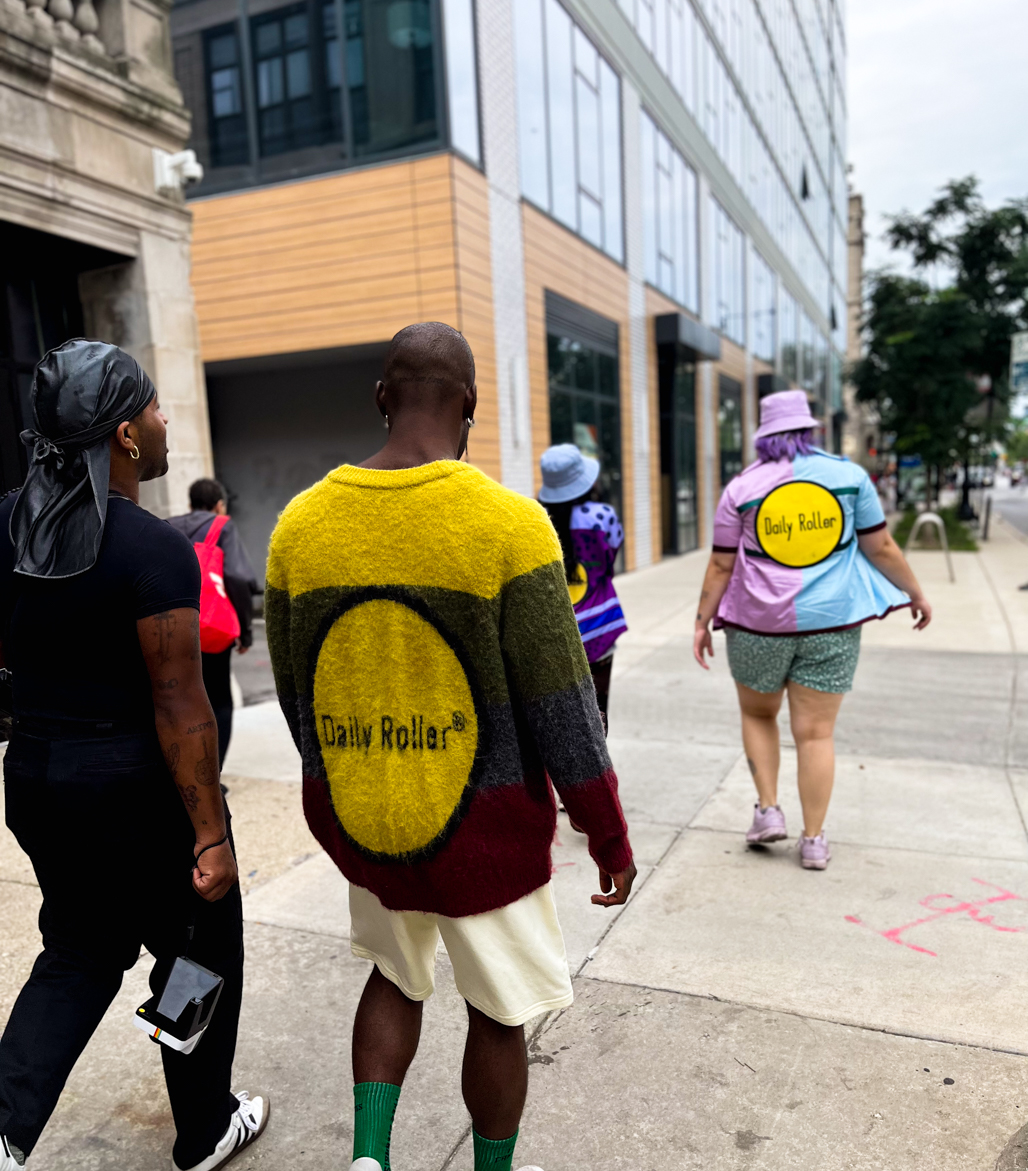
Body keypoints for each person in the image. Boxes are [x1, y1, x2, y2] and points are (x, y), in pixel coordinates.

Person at [265, 322, 636, 1171]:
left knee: (393, 976)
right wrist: (605, 832)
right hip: (486, 829)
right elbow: (564, 708)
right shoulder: (510, 525)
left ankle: (369, 1159)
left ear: (381, 397)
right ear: (469, 407)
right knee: (498, 1009)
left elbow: (298, 696)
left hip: (369, 819)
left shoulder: (300, 526)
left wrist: (346, 780)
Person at [0, 340, 267, 1171]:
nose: (162, 421)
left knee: (80, 949)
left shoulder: (2, 522)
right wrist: (211, 834)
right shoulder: (151, 548)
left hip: (38, 782)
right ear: (122, 434)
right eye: (153, 408)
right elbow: (180, 704)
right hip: (135, 798)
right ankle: (203, 1128)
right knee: (200, 950)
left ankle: (1, 1133)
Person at [693, 389, 932, 870]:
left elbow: (721, 564)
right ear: (809, 429)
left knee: (759, 715)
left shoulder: (742, 487)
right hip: (833, 622)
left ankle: (767, 811)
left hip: (757, 624)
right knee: (816, 734)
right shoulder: (848, 477)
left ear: (764, 434)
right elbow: (880, 546)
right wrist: (916, 593)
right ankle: (815, 840)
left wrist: (702, 622)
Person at [538, 444, 627, 735]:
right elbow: (610, 557)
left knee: (558, 721)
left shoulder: (536, 519)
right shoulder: (602, 516)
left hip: (555, 634)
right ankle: (597, 774)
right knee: (598, 714)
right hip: (600, 627)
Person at [168, 479, 259, 767]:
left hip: (170, 627)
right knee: (218, 699)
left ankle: (182, 767)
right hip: (211, 628)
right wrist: (244, 631)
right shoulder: (222, 526)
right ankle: (212, 774)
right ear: (219, 504)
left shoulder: (167, 525)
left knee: (179, 699)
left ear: (189, 502)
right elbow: (238, 577)